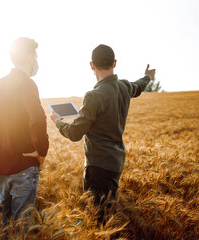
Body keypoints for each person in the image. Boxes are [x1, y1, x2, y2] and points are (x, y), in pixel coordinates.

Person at [50, 44, 156, 222]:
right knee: (107, 217)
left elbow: (75, 133)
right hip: (116, 164)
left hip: (98, 167)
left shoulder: (94, 95)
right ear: (114, 62)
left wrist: (57, 121)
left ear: (91, 65)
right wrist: (148, 76)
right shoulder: (124, 87)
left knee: (96, 220)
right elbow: (138, 86)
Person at [0, 37, 49, 228]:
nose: (37, 60)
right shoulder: (27, 84)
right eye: (36, 55)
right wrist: (42, 152)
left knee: (5, 226)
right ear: (30, 57)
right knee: (21, 228)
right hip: (24, 167)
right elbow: (38, 120)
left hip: (1, 169)